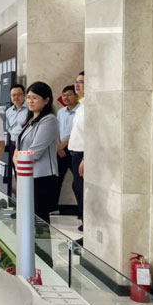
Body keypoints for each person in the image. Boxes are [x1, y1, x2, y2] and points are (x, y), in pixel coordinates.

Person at [14, 82, 59, 223]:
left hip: (41, 176)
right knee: (28, 217)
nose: (30, 101)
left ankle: (41, 239)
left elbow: (34, 152)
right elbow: (18, 146)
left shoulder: (49, 120)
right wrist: (17, 160)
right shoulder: (30, 120)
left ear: (46, 100)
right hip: (25, 173)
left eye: (35, 98)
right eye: (28, 97)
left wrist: (18, 159)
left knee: (39, 218)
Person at [55, 85, 79, 211]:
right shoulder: (60, 112)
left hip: (75, 150)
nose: (66, 98)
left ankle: (81, 211)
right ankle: (53, 208)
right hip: (60, 151)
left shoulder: (80, 111)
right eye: (64, 95)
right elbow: (56, 130)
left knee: (78, 183)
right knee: (56, 181)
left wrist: (63, 145)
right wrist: (59, 147)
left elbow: (76, 132)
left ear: (76, 96)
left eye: (69, 95)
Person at [68, 71, 85, 232]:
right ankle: (84, 221)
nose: (77, 85)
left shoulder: (91, 106)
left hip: (83, 155)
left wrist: (87, 157)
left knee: (82, 190)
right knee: (77, 188)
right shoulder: (81, 106)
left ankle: (87, 225)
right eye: (76, 82)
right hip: (74, 154)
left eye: (81, 82)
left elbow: (93, 134)